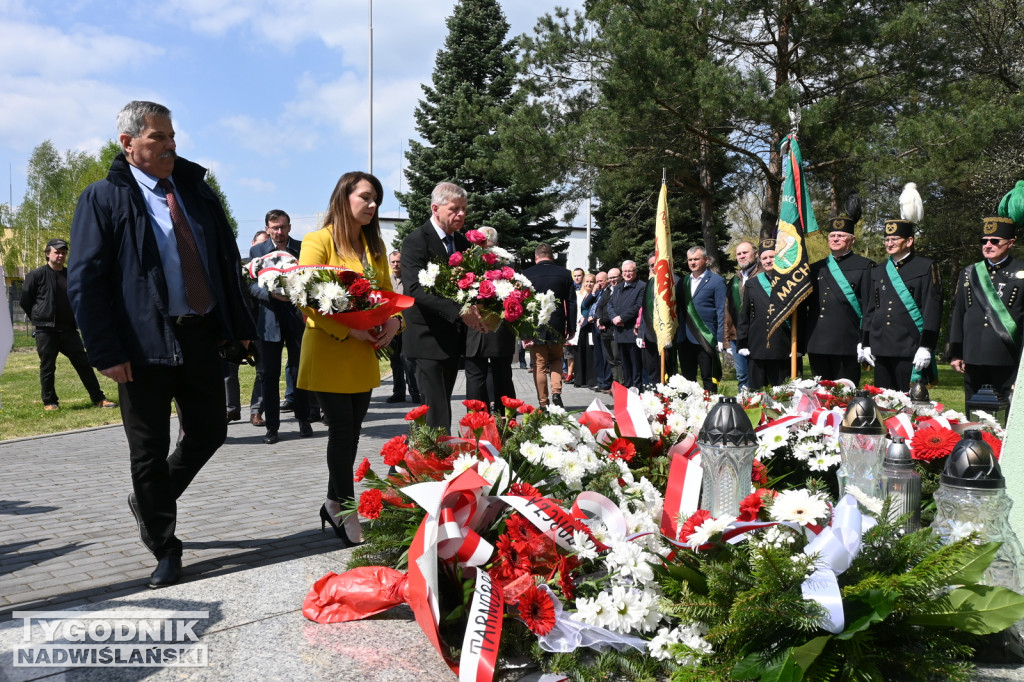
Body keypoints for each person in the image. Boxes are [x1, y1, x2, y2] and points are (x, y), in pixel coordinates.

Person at [68, 100, 255, 588]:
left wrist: (238, 325)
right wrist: (105, 350)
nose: (170, 145)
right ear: (128, 144)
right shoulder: (103, 198)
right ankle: (166, 546)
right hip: (140, 345)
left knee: (211, 430)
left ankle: (151, 499)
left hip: (197, 335)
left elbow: (222, 262)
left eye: (171, 136)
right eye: (158, 137)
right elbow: (86, 279)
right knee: (147, 451)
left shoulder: (195, 193)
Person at [297, 171, 401, 546]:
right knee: (342, 433)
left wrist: (395, 323)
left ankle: (331, 501)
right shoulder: (318, 240)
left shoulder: (373, 249)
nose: (373, 206)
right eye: (366, 197)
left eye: (376, 200)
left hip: (362, 355)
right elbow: (305, 298)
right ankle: (344, 509)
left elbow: (389, 295)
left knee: (351, 435)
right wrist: (349, 330)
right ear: (344, 198)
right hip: (329, 352)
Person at [401, 182, 488, 432]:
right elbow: (415, 289)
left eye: (464, 209)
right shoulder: (416, 241)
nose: (460, 214)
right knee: (436, 411)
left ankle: (418, 461)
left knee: (437, 409)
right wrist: (460, 311)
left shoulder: (461, 243)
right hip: (425, 339)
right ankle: (437, 465)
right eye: (454, 209)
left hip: (451, 340)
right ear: (435, 208)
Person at [19, 238, 117, 411]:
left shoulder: (71, 275)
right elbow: (25, 301)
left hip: (68, 330)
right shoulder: (36, 275)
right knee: (48, 367)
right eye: (57, 252)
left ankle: (99, 399)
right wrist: (39, 318)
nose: (60, 255)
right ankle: (50, 402)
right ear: (48, 254)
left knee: (84, 364)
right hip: (46, 330)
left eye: (63, 252)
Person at [862, 187, 942, 392]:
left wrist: (926, 345)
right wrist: (866, 342)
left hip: (910, 345)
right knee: (882, 401)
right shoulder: (878, 270)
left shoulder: (925, 267)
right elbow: (871, 309)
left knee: (908, 403)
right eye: (887, 239)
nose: (889, 243)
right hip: (881, 344)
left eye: (894, 239)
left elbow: (932, 310)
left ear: (909, 241)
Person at [948, 211, 1024, 403]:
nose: (988, 245)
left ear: (1010, 243)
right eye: (984, 241)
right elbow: (959, 314)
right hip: (973, 356)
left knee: (1005, 411)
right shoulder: (970, 272)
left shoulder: (1020, 272)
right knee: (973, 412)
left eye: (994, 241)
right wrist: (956, 353)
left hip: (1007, 356)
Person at [250, 209, 311, 444]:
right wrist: (270, 294)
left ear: (290, 227)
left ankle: (304, 420)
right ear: (267, 229)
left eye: (283, 227)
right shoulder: (257, 252)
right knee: (269, 376)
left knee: (299, 373)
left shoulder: (302, 249)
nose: (279, 232)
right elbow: (249, 286)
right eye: (275, 227)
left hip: (296, 319)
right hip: (268, 322)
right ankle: (272, 429)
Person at [803, 199, 874, 384]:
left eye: (841, 236)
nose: (835, 239)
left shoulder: (865, 266)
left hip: (847, 342)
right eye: (832, 235)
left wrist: (865, 341)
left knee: (845, 395)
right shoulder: (815, 268)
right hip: (817, 341)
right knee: (820, 395)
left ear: (852, 240)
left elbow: (869, 308)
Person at [464, 226, 517, 411]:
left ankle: (477, 426)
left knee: (476, 379)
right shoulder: (508, 266)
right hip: (497, 332)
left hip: (477, 331)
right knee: (502, 378)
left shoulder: (468, 263)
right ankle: (506, 425)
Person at [524, 244, 577, 408]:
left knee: (539, 364)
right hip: (558, 324)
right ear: (552, 256)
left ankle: (543, 402)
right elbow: (572, 303)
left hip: (536, 325)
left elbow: (522, 303)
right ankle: (556, 393)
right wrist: (572, 327)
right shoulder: (565, 274)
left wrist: (524, 332)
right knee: (556, 359)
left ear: (536, 256)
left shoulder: (527, 274)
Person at [225, 229, 268, 425]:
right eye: (259, 245)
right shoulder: (238, 268)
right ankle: (230, 409)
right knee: (228, 370)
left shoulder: (272, 270)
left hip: (262, 326)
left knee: (262, 371)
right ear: (252, 245)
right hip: (236, 327)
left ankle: (256, 411)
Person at [736, 239, 790, 388]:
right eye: (764, 258)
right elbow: (744, 315)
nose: (768, 261)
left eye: (772, 257)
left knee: (784, 393)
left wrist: (799, 346)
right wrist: (742, 342)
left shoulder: (791, 282)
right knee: (757, 393)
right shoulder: (752, 283)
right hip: (756, 347)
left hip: (783, 347)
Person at [675, 246, 726, 392]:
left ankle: (710, 409)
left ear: (706, 260)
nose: (692, 263)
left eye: (696, 259)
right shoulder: (683, 282)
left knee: (708, 377)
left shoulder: (717, 281)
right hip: (684, 337)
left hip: (705, 337)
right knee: (687, 378)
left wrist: (721, 337)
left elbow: (721, 311)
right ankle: (690, 409)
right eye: (690, 260)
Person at [385, 250, 421, 404]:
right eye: (393, 261)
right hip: (391, 326)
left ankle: (415, 393)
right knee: (395, 360)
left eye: (398, 261)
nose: (395, 264)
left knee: (407, 360)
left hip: (407, 325)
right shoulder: (387, 281)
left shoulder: (409, 279)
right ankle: (398, 393)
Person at [723, 240, 757, 389]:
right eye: (739, 254)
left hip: (758, 336)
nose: (742, 256)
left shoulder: (765, 275)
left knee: (758, 375)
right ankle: (744, 408)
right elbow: (727, 311)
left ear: (755, 254)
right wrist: (726, 339)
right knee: (742, 376)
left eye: (745, 252)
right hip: (737, 336)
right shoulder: (734, 280)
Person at [607, 260, 645, 389]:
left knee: (635, 364)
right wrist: (614, 318)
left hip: (632, 332)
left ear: (635, 271)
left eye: (630, 271)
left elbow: (638, 306)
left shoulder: (641, 286)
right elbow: (610, 305)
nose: (627, 274)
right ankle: (628, 388)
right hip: (619, 332)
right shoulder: (618, 287)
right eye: (625, 271)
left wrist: (622, 318)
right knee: (624, 364)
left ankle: (637, 389)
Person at [595, 267, 624, 389]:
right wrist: (598, 319)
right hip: (604, 330)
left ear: (620, 277)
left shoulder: (620, 290)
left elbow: (613, 310)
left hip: (614, 329)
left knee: (617, 359)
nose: (613, 280)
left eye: (615, 277)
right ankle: (615, 384)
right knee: (610, 359)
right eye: (611, 277)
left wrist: (602, 320)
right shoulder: (607, 291)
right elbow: (600, 306)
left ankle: (621, 384)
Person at [569, 272, 597, 388]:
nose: (589, 284)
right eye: (587, 281)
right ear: (583, 283)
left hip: (591, 327)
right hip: (580, 327)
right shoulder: (578, 295)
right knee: (579, 353)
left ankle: (591, 380)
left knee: (590, 353)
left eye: (591, 282)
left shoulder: (597, 295)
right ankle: (579, 380)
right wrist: (580, 318)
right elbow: (575, 310)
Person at [589, 271, 612, 391]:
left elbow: (605, 308)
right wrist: (593, 292)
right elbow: (586, 304)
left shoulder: (608, 291)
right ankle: (600, 380)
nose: (598, 284)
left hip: (604, 325)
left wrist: (599, 319)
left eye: (601, 281)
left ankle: (606, 382)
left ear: (607, 280)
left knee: (605, 355)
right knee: (598, 355)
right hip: (594, 326)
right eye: (597, 281)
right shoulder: (597, 292)